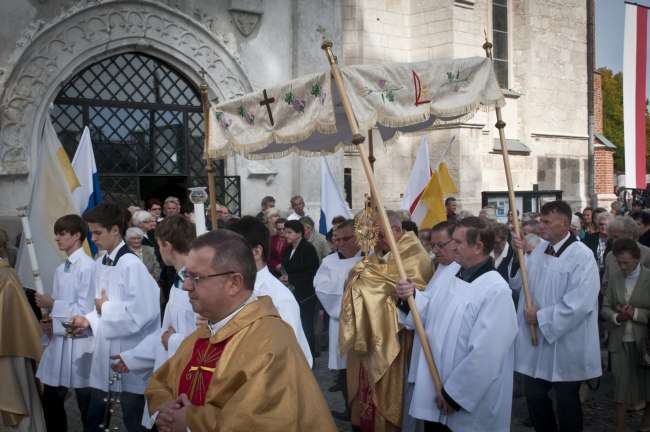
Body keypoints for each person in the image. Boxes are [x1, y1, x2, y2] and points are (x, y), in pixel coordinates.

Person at [144, 230, 337, 431]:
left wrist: (191, 422)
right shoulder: (205, 334)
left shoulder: (271, 344)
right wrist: (163, 410)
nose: (185, 286)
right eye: (186, 275)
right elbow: (160, 382)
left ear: (234, 283)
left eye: (196, 277)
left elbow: (262, 422)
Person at [396, 217, 517, 432]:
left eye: (458, 242)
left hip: (465, 401)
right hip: (437, 389)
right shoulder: (452, 274)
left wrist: (454, 396)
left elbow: (486, 355)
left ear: (478, 247)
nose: (453, 246)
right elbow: (432, 314)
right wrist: (411, 297)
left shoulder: (496, 290)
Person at [511, 200, 601, 432]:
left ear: (564, 224)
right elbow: (521, 284)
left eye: (546, 222)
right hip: (537, 341)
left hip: (567, 341)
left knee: (567, 401)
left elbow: (581, 302)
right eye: (541, 221)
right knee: (533, 394)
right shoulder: (539, 249)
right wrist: (518, 255)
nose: (541, 226)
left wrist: (542, 317)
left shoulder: (582, 256)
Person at [69, 202, 161, 432]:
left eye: (98, 232)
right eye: (91, 232)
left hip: (130, 351)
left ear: (115, 230)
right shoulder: (101, 263)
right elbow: (99, 305)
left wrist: (106, 308)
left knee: (133, 415)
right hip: (106, 350)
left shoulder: (132, 265)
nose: (93, 238)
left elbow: (145, 312)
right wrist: (88, 321)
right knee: (96, 416)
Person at [340, 210, 434, 431]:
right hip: (369, 335)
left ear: (397, 231)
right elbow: (357, 278)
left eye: (380, 235)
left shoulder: (415, 256)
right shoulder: (377, 253)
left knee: (389, 392)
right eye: (372, 236)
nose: (376, 241)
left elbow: (411, 293)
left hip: (397, 338)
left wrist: (370, 286)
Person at [111, 215, 197, 429]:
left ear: (167, 245)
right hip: (169, 379)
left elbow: (201, 337)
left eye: (159, 245)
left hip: (188, 384)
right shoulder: (179, 282)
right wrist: (132, 358)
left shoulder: (195, 285)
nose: (158, 250)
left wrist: (173, 340)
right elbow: (163, 334)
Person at [34, 215, 95, 431]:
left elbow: (86, 311)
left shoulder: (88, 267)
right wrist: (51, 323)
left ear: (77, 235)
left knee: (86, 402)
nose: (57, 238)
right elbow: (62, 308)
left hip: (80, 344)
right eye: (56, 233)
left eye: (62, 234)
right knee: (50, 400)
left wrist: (53, 303)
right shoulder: (62, 269)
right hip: (60, 343)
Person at [398, 220, 460, 431]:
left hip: (443, 361)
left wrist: (413, 296)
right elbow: (431, 304)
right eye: (432, 245)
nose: (434, 250)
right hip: (429, 351)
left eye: (440, 245)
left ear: (456, 243)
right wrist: (408, 297)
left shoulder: (459, 271)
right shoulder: (442, 268)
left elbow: (440, 314)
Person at [228, 216, 313, 366]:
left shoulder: (279, 299)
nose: (226, 258)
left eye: (233, 251)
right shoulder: (230, 289)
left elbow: (293, 356)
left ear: (256, 252)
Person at [314, 219, 364, 420]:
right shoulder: (328, 262)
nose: (341, 243)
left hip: (364, 325)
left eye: (346, 238)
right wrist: (347, 288)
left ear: (359, 237)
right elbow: (321, 288)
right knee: (345, 370)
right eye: (338, 239)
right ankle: (349, 409)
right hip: (340, 323)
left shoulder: (369, 261)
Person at [601, 238, 650, 432]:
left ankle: (646, 423)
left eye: (626, 263)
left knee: (647, 386)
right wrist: (617, 316)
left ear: (638, 259)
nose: (622, 267)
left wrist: (635, 314)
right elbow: (605, 307)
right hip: (619, 340)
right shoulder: (615, 278)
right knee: (621, 387)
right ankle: (619, 427)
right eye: (619, 263)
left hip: (644, 342)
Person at [0, 260, 46, 431]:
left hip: (12, 345)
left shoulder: (4, 275)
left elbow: (10, 312)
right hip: (8, 343)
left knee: (21, 398)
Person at [279, 220, 321, 358]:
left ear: (299, 233)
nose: (286, 235)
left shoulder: (308, 249)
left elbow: (312, 273)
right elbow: (285, 268)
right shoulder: (287, 249)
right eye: (285, 232)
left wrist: (291, 278)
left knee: (306, 327)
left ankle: (309, 356)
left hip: (305, 296)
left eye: (290, 232)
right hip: (290, 294)